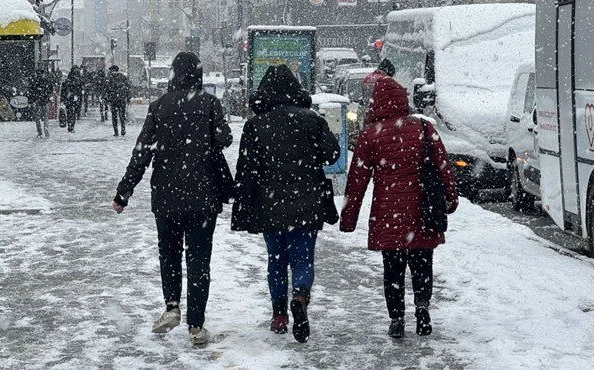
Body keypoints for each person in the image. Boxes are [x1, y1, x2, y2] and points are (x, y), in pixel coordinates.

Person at [112, 52, 232, 345]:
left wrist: (123, 192)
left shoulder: (158, 107)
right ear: (199, 75)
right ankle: (197, 325)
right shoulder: (210, 104)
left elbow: (141, 153)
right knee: (199, 259)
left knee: (169, 253)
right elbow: (224, 139)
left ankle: (172, 307)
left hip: (166, 196)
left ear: (173, 75)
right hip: (203, 197)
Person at [339, 74, 458, 338]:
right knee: (422, 263)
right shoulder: (424, 129)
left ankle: (397, 318)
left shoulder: (371, 135)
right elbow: (443, 167)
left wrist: (348, 219)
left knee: (392, 269)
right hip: (422, 213)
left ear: (375, 103)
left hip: (388, 216)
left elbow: (357, 181)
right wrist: (451, 198)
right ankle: (423, 306)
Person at [231, 64, 340, 343]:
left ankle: (279, 314)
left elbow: (246, 169)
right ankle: (301, 297)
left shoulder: (255, 125)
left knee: (276, 260)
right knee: (303, 257)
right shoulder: (312, 120)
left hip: (270, 204)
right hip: (307, 202)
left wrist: (242, 204)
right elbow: (332, 155)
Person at [105, 65, 131, 136]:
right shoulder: (123, 77)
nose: (110, 71)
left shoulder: (109, 77)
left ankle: (116, 132)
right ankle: (123, 129)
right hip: (122, 99)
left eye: (111, 69)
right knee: (122, 115)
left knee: (114, 116)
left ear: (113, 70)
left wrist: (107, 98)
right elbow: (128, 88)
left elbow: (107, 89)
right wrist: (128, 98)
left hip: (113, 99)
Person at [28, 69, 54, 138]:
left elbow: (30, 92)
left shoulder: (34, 82)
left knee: (37, 117)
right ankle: (46, 126)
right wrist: (50, 99)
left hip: (37, 101)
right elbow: (50, 91)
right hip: (45, 101)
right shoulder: (47, 81)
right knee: (45, 115)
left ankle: (39, 132)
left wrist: (30, 101)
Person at [60, 66, 82, 133]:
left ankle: (70, 125)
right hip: (74, 98)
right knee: (73, 113)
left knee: (70, 112)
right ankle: (71, 126)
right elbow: (79, 89)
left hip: (69, 99)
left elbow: (63, 90)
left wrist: (63, 100)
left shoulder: (68, 80)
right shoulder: (77, 79)